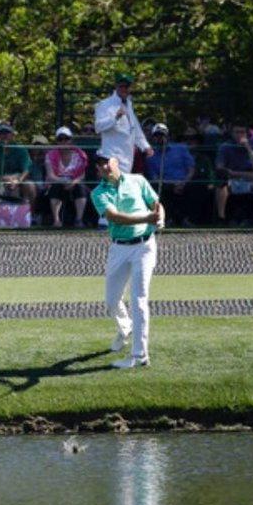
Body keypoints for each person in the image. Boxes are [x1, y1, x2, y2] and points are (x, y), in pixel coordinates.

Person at [90, 150, 162, 369]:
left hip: (144, 246)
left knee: (139, 299)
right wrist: (147, 218)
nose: (103, 167)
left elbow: (156, 204)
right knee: (112, 301)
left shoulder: (138, 180)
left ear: (116, 161)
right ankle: (125, 327)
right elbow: (114, 217)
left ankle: (140, 355)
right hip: (119, 248)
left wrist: (160, 220)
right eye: (99, 164)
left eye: (106, 162)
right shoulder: (98, 193)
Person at [95, 73, 152, 174]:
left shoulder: (129, 105)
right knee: (112, 188)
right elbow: (98, 127)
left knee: (122, 187)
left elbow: (136, 130)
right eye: (121, 86)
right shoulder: (104, 104)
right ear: (116, 86)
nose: (124, 89)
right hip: (110, 157)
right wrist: (115, 117)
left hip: (127, 158)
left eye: (127, 86)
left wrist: (145, 146)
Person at [0, 125, 35, 216]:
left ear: (12, 135)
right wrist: (6, 180)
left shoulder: (21, 150)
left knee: (30, 185)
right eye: (1, 133)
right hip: (0, 181)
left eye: (7, 133)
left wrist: (18, 181)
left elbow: (27, 169)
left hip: (19, 180)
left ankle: (29, 216)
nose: (4, 136)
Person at [44, 126, 89, 228]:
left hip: (74, 181)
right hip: (57, 181)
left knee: (80, 187)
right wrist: (62, 181)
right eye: (60, 139)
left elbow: (82, 175)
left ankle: (79, 219)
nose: (64, 141)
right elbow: (50, 176)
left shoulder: (80, 154)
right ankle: (56, 220)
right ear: (57, 141)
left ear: (71, 140)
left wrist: (73, 181)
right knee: (56, 187)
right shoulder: (50, 155)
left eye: (66, 138)